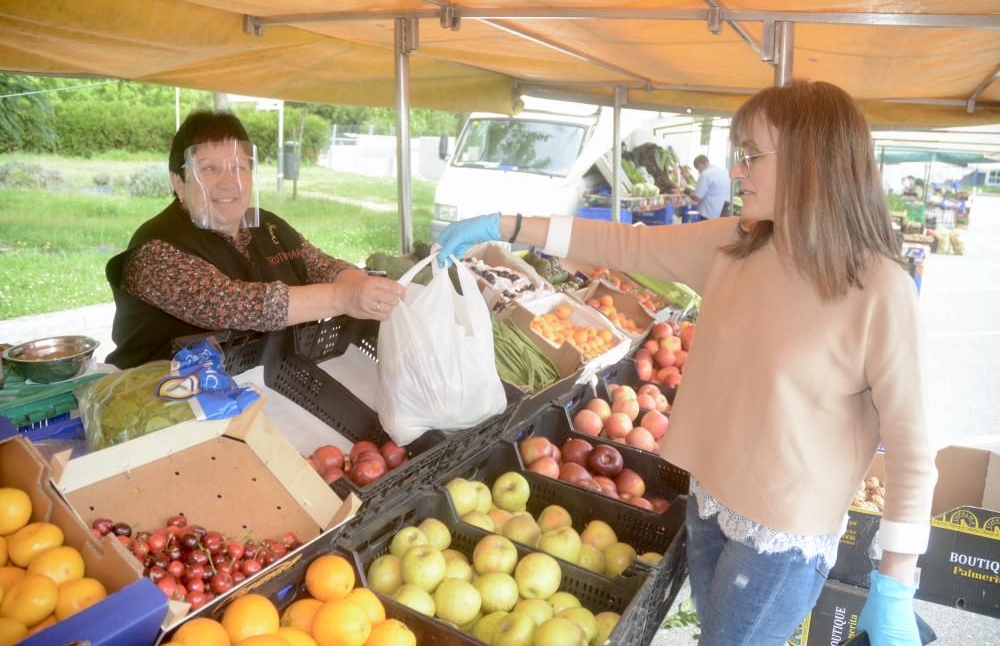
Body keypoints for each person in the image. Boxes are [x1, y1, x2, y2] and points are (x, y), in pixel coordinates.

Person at [436, 80, 935, 646]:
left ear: (809, 161)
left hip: (782, 536)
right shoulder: (736, 245)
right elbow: (623, 244)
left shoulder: (879, 290)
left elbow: (914, 453)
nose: (737, 171)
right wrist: (507, 226)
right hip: (709, 501)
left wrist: (895, 587)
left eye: (751, 155)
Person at [106, 110, 404, 368]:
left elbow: (320, 265)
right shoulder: (156, 250)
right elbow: (240, 305)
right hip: (165, 404)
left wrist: (355, 282)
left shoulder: (268, 226)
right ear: (178, 183)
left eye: (240, 167)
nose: (228, 182)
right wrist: (343, 297)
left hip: (258, 389)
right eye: (209, 169)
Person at [690, 154, 730, 219]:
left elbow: (697, 198)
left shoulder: (706, 174)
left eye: (698, 169)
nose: (699, 171)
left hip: (709, 213)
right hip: (724, 211)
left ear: (699, 164)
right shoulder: (724, 171)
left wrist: (689, 193)